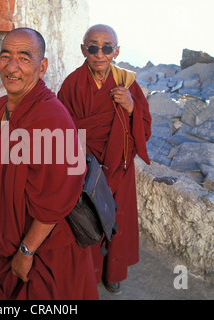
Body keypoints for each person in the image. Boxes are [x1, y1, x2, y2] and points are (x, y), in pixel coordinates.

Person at [0, 27, 99, 300]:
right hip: (8, 238)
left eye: (24, 58)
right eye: (5, 56)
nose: (12, 67)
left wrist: (26, 252)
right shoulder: (5, 106)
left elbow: (57, 200)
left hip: (44, 247)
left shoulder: (51, 118)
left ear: (42, 67)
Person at [57, 24, 152, 295]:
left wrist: (131, 107)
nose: (100, 53)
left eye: (107, 47)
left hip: (119, 166)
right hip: (87, 167)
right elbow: (62, 125)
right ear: (83, 50)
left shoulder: (127, 83)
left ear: (116, 51)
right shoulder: (72, 83)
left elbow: (145, 126)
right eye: (93, 47)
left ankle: (113, 273)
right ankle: (91, 273)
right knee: (89, 218)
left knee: (117, 218)